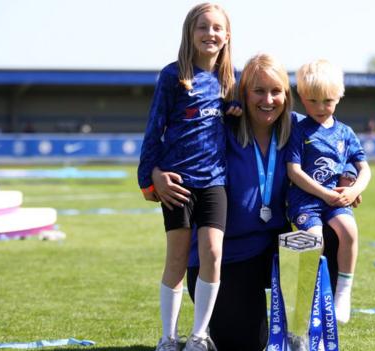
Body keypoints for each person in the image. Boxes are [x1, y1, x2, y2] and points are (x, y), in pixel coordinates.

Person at [150, 53, 360, 350]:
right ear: (243, 93)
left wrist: (347, 177)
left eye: (276, 91)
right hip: (226, 255)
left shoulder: (299, 128)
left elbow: (340, 150)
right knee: (247, 343)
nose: (268, 100)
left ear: (287, 95)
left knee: (331, 232)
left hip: (274, 243)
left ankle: (298, 330)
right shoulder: (222, 127)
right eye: (259, 91)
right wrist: (156, 171)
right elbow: (178, 142)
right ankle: (213, 325)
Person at [137, 3, 237, 351]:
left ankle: (198, 335)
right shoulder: (172, 75)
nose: (210, 34)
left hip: (214, 182)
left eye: (217, 28)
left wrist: (235, 113)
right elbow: (154, 129)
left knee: (212, 251)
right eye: (202, 27)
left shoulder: (231, 81)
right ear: (190, 33)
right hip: (176, 183)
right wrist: (149, 177)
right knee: (177, 258)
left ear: (227, 36)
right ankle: (168, 336)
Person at [286, 59, 371, 324]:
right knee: (314, 241)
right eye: (312, 101)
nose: (320, 107)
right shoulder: (297, 130)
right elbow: (294, 171)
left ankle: (342, 294)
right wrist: (324, 193)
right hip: (305, 201)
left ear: (339, 96)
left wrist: (354, 188)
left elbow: (365, 168)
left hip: (336, 199)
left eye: (328, 101)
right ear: (301, 96)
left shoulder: (345, 132)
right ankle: (309, 299)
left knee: (349, 231)